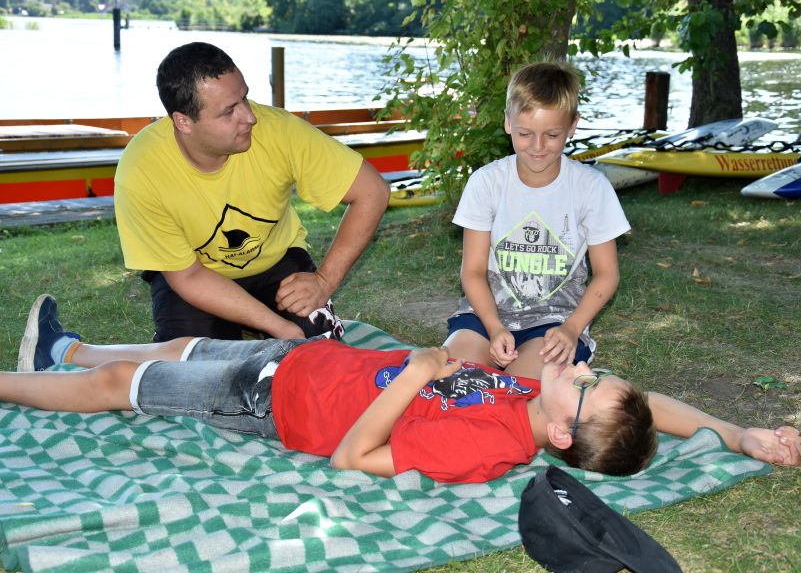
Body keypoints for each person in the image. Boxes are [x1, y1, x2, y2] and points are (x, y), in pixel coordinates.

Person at [13, 295, 801, 484]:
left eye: (585, 386)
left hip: (277, 403)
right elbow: (645, 410)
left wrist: (422, 373)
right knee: (187, 340)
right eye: (598, 371)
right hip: (307, 363)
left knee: (125, 386)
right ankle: (64, 347)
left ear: (561, 436)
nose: (584, 367)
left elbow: (357, 456)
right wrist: (737, 435)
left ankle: (25, 380)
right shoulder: (526, 401)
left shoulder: (490, 443)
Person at [114, 42, 389, 342]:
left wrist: (323, 282)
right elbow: (188, 277)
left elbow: (372, 192)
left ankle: (255, 327)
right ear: (183, 122)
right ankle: (241, 328)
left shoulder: (280, 131)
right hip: (198, 275)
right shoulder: (142, 168)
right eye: (229, 111)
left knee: (319, 349)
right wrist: (277, 326)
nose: (249, 116)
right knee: (195, 371)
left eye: (244, 97)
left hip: (276, 262)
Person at [445, 61, 628, 379]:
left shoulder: (591, 187)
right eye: (525, 133)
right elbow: (473, 271)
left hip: (555, 322)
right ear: (507, 123)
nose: (538, 146)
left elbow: (607, 274)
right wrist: (493, 326)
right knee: (451, 376)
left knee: (522, 390)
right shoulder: (486, 182)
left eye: (552, 134)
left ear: (572, 126)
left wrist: (572, 328)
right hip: (486, 314)